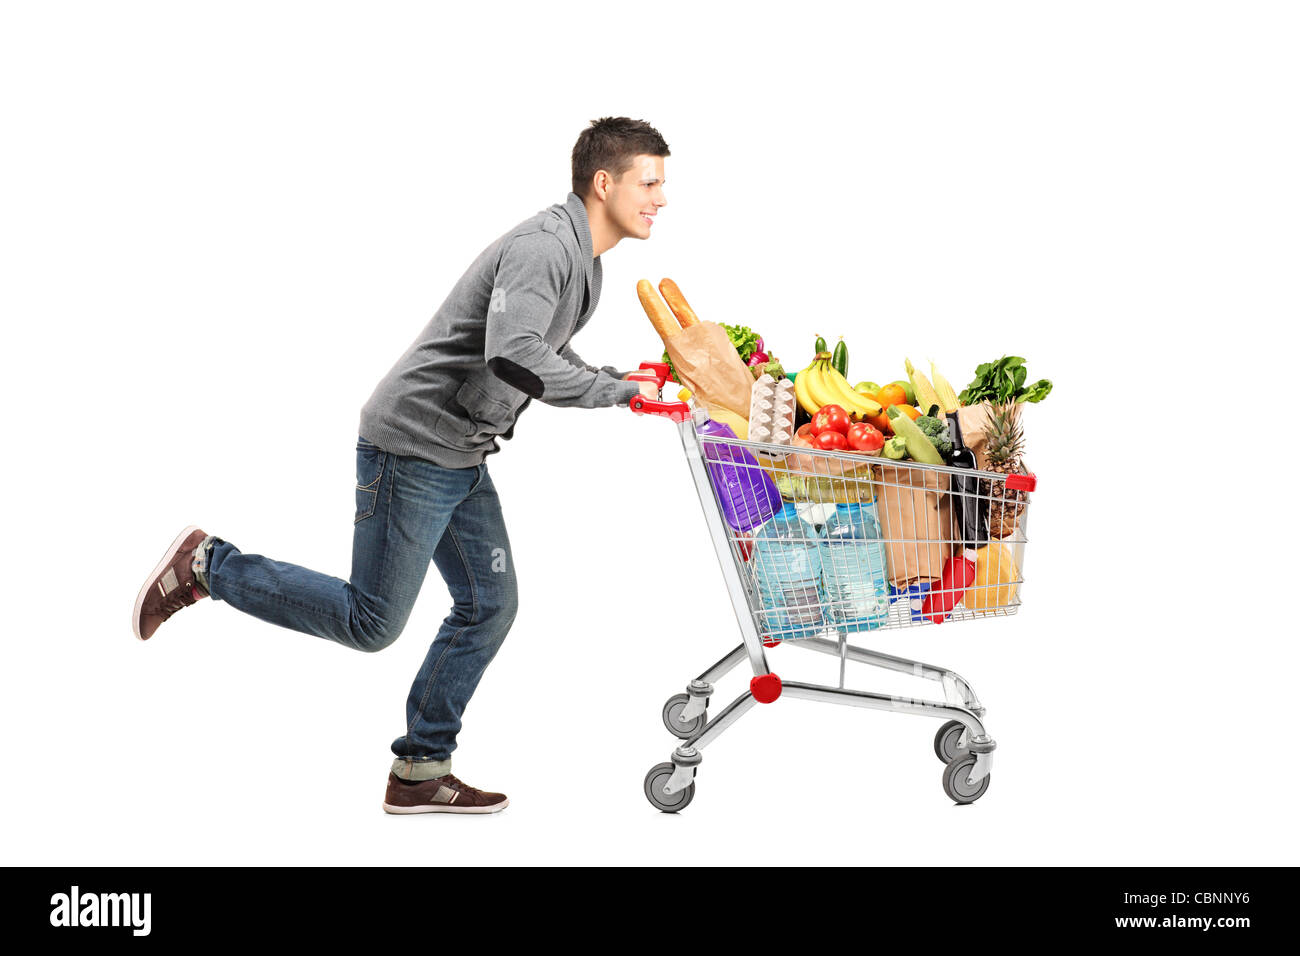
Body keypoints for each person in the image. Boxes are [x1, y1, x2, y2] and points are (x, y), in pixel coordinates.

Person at [132, 117, 670, 814]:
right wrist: (618, 393)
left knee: (489, 606)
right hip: (413, 444)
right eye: (649, 182)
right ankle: (209, 565)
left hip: (460, 449)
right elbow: (514, 355)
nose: (661, 198)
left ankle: (420, 770)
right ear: (605, 182)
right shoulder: (546, 249)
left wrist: (616, 377)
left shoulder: (584, 263)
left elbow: (539, 349)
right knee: (371, 621)